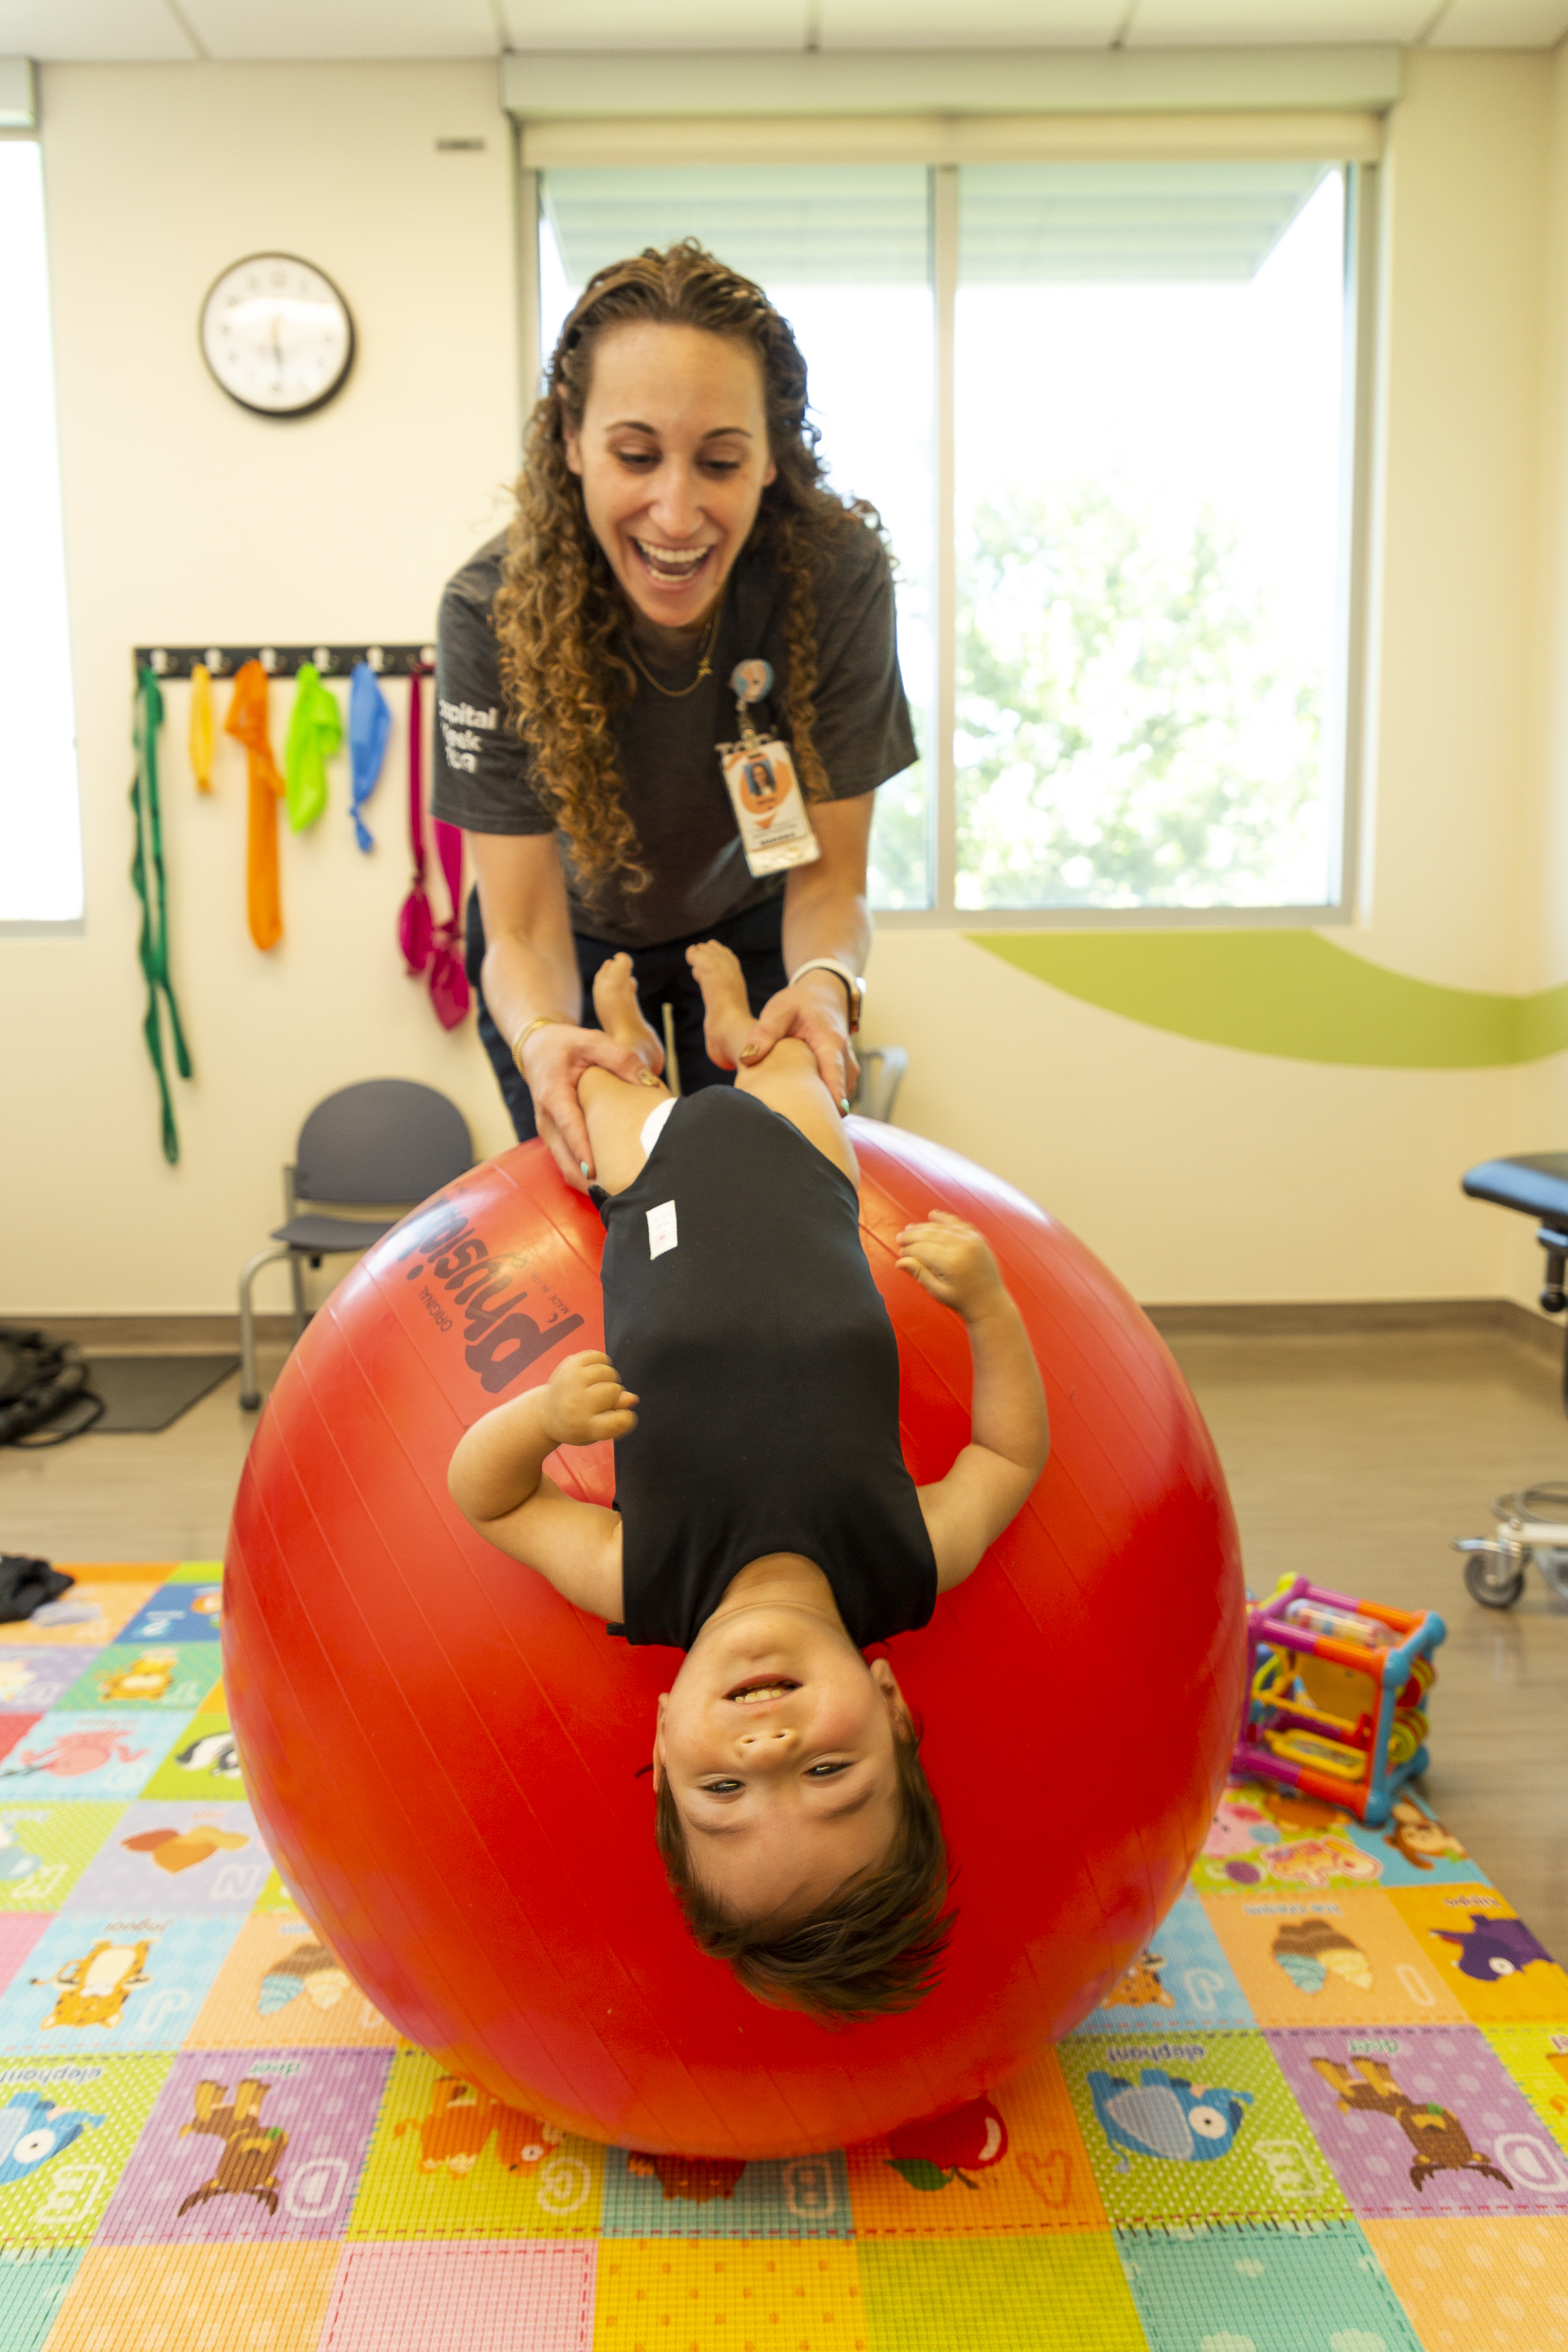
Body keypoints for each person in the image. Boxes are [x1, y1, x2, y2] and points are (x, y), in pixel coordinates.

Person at [448, 940, 1050, 2020]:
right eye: (830, 1777)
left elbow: (485, 1498)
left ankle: (624, 1035)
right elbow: (1008, 1458)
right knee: (782, 1063)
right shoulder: (906, 1561)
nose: (768, 1750)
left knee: (601, 1091)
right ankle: (726, 1019)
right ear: (892, 1710)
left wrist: (541, 1420)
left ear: (666, 1734)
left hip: (658, 1202)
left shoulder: (646, 1581)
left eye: (723, 1790)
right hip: (804, 1181)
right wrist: (991, 1308)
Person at [432, 241, 915, 1192]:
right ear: (571, 441)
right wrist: (542, 1041)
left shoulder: (833, 577)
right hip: (563, 940)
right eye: (636, 455)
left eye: (721, 460)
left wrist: (825, 985)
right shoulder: (491, 607)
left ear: (772, 455)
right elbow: (522, 929)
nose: (677, 512)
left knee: (765, 1196)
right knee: (616, 1200)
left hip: (749, 921)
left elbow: (828, 880)